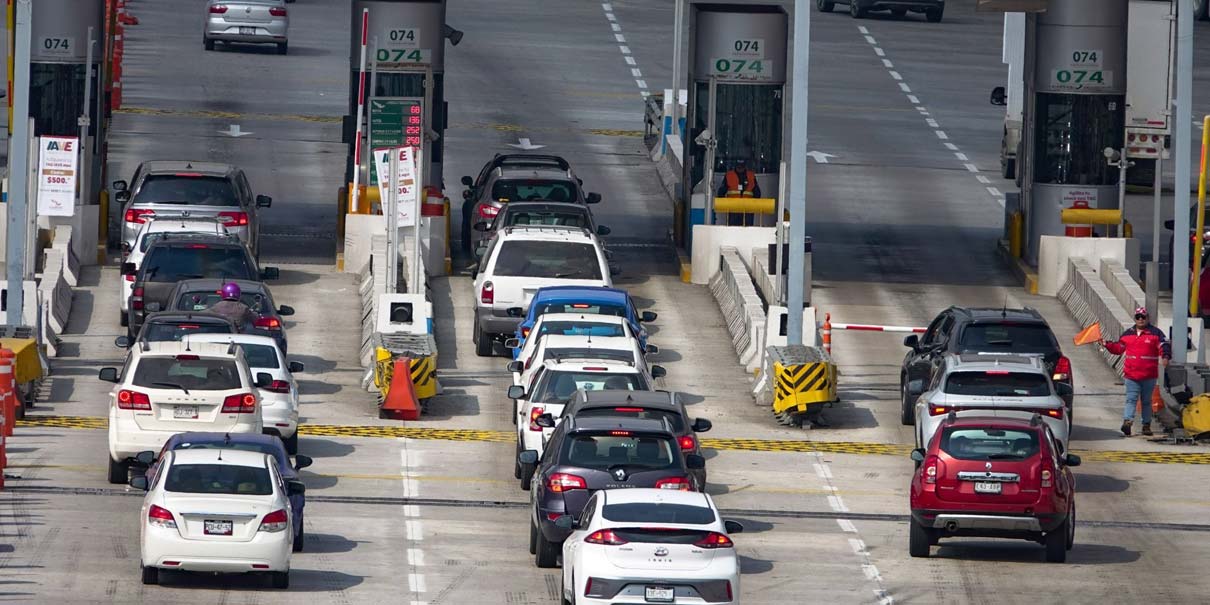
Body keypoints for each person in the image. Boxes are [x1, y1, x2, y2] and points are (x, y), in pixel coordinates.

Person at [1100, 307, 1171, 436]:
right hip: (1131, 375)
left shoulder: (1156, 333)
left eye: (1143, 317)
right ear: (1135, 319)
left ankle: (1146, 425)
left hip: (1148, 375)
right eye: (1138, 317)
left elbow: (1164, 345)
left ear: (1147, 318)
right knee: (1130, 399)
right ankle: (1127, 422)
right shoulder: (1128, 334)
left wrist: (1165, 356)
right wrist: (1107, 344)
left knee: (1146, 401)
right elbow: (1118, 348)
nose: (1140, 319)